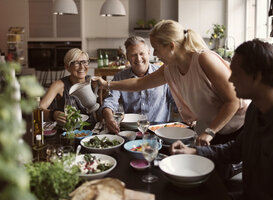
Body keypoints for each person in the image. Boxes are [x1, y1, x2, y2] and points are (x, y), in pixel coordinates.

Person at [93, 20, 249, 146]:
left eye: (156, 48)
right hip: (213, 130)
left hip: (236, 129)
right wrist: (106, 84)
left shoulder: (204, 59)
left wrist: (210, 132)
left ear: (171, 46)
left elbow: (233, 101)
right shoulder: (170, 68)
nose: (154, 54)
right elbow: (139, 83)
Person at [171, 39, 273, 200]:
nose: (230, 80)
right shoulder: (255, 110)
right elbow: (235, 150)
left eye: (235, 74)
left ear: (257, 77)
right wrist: (194, 150)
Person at [100, 36, 175, 134]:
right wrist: (109, 118)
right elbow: (110, 101)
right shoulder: (120, 77)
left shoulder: (162, 74)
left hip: (159, 131)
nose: (138, 59)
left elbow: (176, 100)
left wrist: (189, 115)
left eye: (141, 53)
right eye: (134, 55)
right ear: (127, 57)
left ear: (148, 53)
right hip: (131, 131)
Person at [40, 48, 95, 125]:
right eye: (76, 63)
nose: (82, 67)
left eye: (84, 62)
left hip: (92, 130)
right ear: (67, 67)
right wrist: (53, 114)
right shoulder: (59, 85)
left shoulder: (93, 82)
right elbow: (39, 110)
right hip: (68, 131)